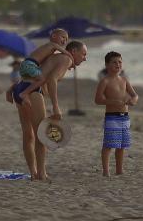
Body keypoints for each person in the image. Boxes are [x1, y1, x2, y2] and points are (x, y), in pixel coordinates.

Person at [11, 40, 87, 181]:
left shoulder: (53, 57)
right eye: (83, 54)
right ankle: (41, 174)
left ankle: (33, 173)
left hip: (21, 89)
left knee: (28, 135)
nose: (85, 58)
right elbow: (51, 79)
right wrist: (56, 106)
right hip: (33, 93)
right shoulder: (67, 59)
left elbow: (38, 75)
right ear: (74, 51)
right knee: (41, 135)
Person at [95, 51, 139, 176]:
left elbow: (135, 95)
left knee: (121, 146)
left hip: (124, 117)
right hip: (112, 117)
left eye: (120, 62)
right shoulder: (105, 81)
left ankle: (119, 170)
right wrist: (111, 101)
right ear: (107, 65)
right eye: (114, 62)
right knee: (109, 144)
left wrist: (133, 100)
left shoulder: (124, 80)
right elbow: (97, 100)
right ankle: (106, 171)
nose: (118, 64)